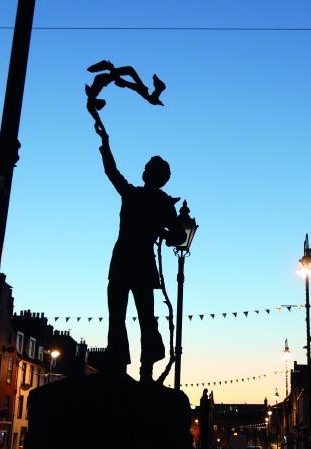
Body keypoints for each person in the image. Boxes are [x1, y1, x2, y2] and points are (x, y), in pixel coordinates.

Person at [95, 123, 185, 381]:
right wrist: (164, 233)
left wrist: (105, 143)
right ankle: (144, 371)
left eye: (148, 168)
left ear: (153, 175)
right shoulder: (162, 203)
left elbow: (111, 171)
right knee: (143, 317)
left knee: (121, 316)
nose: (144, 170)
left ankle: (122, 366)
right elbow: (179, 236)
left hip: (125, 260)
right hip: (140, 263)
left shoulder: (134, 195)